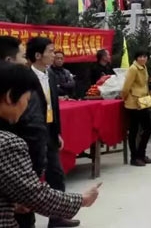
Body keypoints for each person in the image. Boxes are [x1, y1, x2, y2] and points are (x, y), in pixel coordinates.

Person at [0, 63, 102, 227]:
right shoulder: (7, 143)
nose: (26, 107)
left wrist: (12, 204)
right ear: (10, 97)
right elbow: (34, 194)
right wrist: (82, 200)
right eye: (27, 100)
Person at [25, 37, 80, 228]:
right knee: (30, 178)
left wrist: (57, 132)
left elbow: (54, 107)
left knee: (56, 174)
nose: (54, 54)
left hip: (49, 131)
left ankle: (57, 218)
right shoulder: (25, 78)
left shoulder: (50, 75)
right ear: (38, 55)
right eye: (50, 51)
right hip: (31, 135)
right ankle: (26, 221)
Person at [121, 50, 151, 167]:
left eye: (145, 56)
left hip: (143, 101)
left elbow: (144, 84)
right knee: (134, 131)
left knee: (148, 127)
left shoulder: (144, 67)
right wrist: (125, 98)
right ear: (136, 58)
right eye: (140, 56)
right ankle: (134, 157)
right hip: (133, 103)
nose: (143, 58)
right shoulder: (133, 69)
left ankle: (141, 153)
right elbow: (126, 87)